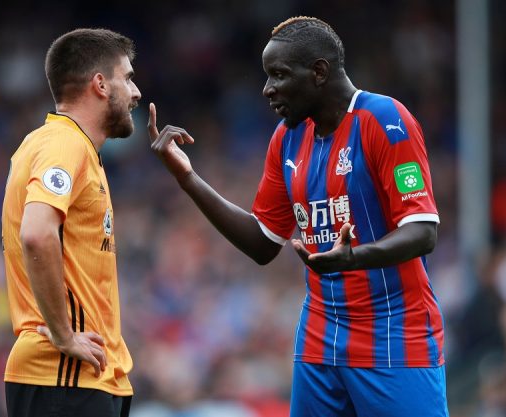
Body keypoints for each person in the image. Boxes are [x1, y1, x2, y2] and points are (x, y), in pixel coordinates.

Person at [149, 16, 449, 417]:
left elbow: (422, 231)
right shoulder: (287, 137)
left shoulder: (385, 119)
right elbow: (262, 242)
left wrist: (354, 258)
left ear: (319, 72)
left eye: (279, 74)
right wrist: (188, 178)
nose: (267, 88)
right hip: (319, 339)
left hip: (393, 337)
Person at [1, 28, 141, 417]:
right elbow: (36, 233)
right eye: (128, 78)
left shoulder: (70, 147)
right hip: (62, 374)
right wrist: (64, 336)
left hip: (83, 376)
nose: (136, 92)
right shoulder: (64, 143)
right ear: (100, 84)